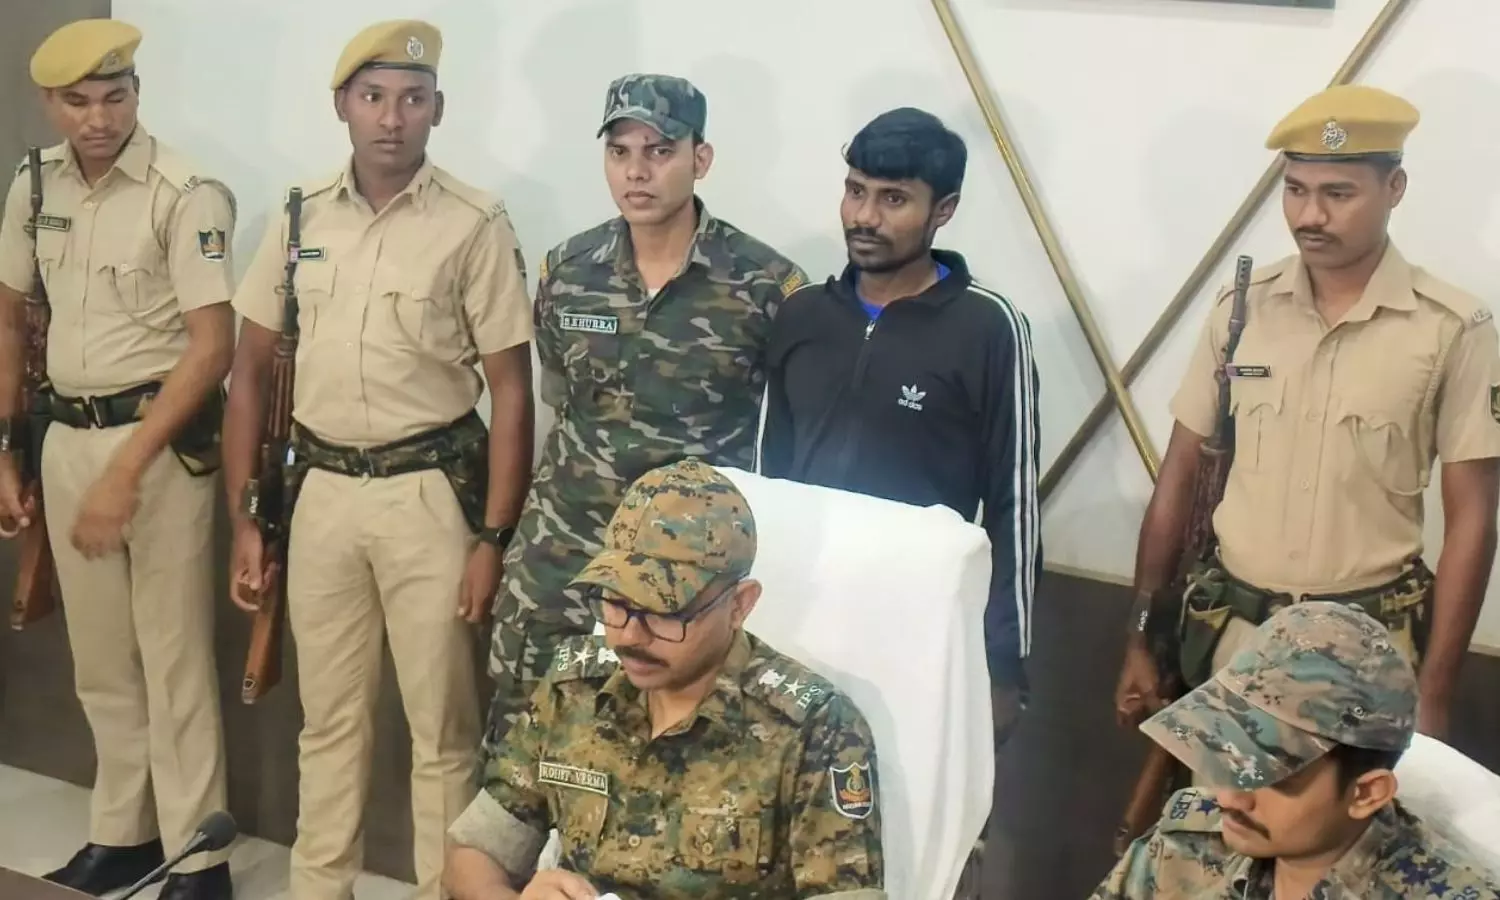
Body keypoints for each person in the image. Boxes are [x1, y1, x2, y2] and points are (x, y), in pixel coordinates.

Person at [222, 19, 534, 900]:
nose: (392, 118)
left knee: (443, 731)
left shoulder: (474, 223)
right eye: (373, 97)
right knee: (328, 724)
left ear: (438, 109)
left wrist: (493, 538)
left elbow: (512, 392)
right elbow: (248, 375)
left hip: (427, 497)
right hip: (319, 494)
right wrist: (246, 518)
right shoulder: (300, 215)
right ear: (342, 106)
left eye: (412, 99)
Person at [1114, 85, 1500, 741]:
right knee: (1216, 806)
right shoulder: (1242, 311)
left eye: (1338, 194)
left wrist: (1435, 693)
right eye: (1295, 190)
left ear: (1395, 188)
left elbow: (1474, 520)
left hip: (1367, 655)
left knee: (1350, 813)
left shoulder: (1451, 329)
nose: (1310, 215)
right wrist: (1140, 634)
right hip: (1232, 644)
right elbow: (1178, 476)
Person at [759, 107, 1041, 897]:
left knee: (910, 840)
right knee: (785, 831)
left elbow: (1015, 505)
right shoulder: (802, 316)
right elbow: (765, 485)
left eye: (893, 199)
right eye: (855, 191)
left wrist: (1005, 667)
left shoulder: (989, 329)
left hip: (921, 638)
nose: (865, 216)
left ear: (942, 210)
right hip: (799, 625)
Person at [483, 73, 810, 754]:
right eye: (620, 152)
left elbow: (785, 437)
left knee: (662, 763)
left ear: (700, 158)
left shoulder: (764, 285)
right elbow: (557, 401)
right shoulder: (568, 271)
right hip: (563, 556)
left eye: (660, 151)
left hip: (683, 577)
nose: (637, 172)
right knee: (524, 750)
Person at [0, 19, 236, 900]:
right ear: (49, 103)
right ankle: (123, 835)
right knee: (101, 663)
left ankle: (198, 862)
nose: (99, 119)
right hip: (66, 438)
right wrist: (7, 449)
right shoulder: (33, 184)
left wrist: (125, 473)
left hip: (158, 449)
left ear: (138, 93)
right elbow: (10, 317)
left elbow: (211, 348)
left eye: (116, 96)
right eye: (79, 101)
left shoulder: (186, 192)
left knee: (174, 663)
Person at [445, 457, 886, 900]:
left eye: (664, 612)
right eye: (616, 602)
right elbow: (473, 854)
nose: (629, 636)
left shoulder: (815, 730)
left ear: (739, 605)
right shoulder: (574, 688)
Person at [1093, 601, 1500, 898]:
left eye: (1270, 775)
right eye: (1229, 755)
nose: (1228, 797)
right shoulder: (1183, 844)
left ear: (1366, 793)